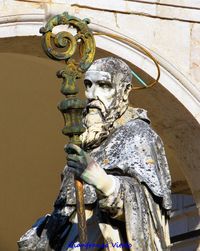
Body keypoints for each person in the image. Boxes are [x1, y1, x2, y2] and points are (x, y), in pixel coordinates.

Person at [18, 57, 172, 251]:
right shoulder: (85, 140)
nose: (92, 94)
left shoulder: (138, 134)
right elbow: (68, 209)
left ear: (124, 91)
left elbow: (151, 208)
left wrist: (103, 182)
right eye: (88, 85)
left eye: (104, 85)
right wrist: (47, 230)